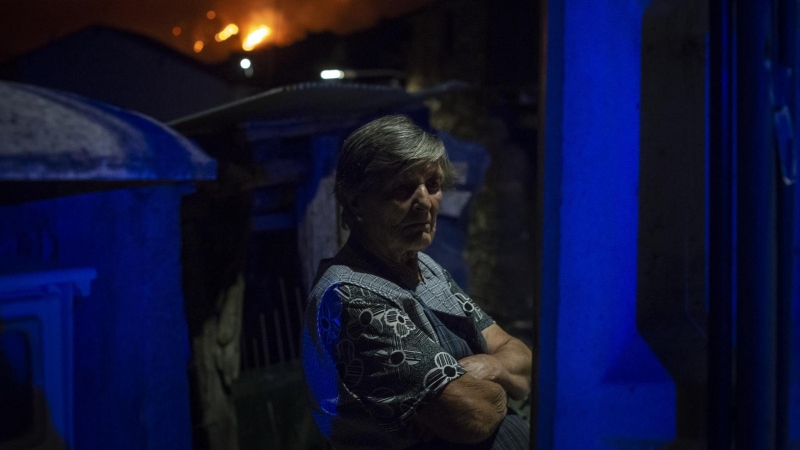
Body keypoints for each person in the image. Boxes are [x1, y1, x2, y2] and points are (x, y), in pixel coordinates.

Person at [302, 115, 531, 450]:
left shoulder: (425, 267)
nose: (424, 202)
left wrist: (487, 366)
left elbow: (521, 358)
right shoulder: (352, 297)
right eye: (402, 188)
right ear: (355, 201)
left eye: (433, 185)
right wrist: (499, 388)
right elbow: (473, 416)